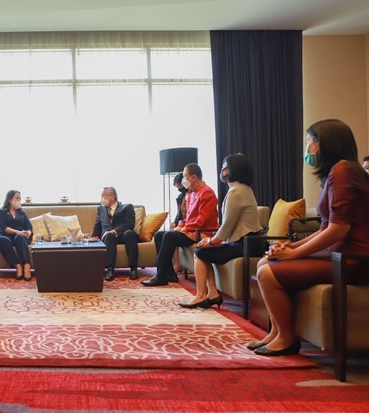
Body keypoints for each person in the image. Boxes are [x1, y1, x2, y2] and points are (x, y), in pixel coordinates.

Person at [251, 119, 369, 356]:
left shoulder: (344, 170)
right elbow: (324, 227)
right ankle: (276, 331)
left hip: (353, 258)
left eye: (310, 141)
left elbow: (338, 230)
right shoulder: (336, 172)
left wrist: (294, 253)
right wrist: (290, 245)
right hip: (338, 253)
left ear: (326, 143)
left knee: (268, 272)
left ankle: (286, 338)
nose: (308, 148)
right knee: (265, 261)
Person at [178, 154, 262, 309]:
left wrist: (211, 241)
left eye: (225, 166)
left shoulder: (235, 192)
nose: (222, 169)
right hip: (249, 241)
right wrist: (214, 242)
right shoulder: (244, 189)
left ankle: (201, 295)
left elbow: (226, 228)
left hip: (244, 244)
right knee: (204, 250)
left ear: (232, 169)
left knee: (200, 251)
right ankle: (212, 293)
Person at [142, 163, 219, 287]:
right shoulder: (192, 194)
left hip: (201, 232)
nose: (183, 180)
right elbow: (187, 218)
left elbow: (201, 221)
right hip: (191, 231)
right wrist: (180, 226)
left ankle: (161, 275)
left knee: (169, 236)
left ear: (194, 177)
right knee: (159, 235)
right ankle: (170, 273)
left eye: (185, 176)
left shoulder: (207, 193)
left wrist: (184, 228)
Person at [91, 187, 139, 281]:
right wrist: (93, 238)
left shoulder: (127, 207)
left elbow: (129, 224)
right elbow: (98, 225)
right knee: (108, 235)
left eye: (103, 196)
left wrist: (114, 231)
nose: (101, 198)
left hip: (123, 235)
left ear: (112, 197)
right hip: (108, 238)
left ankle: (133, 269)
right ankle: (110, 270)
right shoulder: (100, 209)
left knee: (129, 233)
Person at [0, 190, 33, 281]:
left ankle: (27, 265)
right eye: (16, 198)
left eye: (20, 198)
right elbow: (3, 228)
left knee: (19, 237)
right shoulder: (1, 212)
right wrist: (17, 231)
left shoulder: (22, 212)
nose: (18, 200)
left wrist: (28, 232)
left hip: (20, 238)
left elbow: (29, 227)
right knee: (1, 240)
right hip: (7, 235)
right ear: (9, 199)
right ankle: (17, 265)